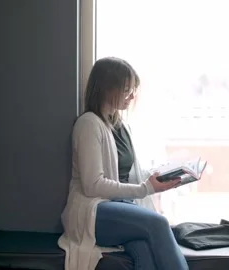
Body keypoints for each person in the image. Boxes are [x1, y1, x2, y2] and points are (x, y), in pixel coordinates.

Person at [58, 57, 189, 270]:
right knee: (158, 223)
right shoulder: (88, 124)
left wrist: (161, 178)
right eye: (126, 89)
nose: (131, 96)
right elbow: (93, 186)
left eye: (133, 89)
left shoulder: (120, 127)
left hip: (118, 207)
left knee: (144, 248)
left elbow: (129, 174)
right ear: (107, 88)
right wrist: (146, 188)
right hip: (92, 211)